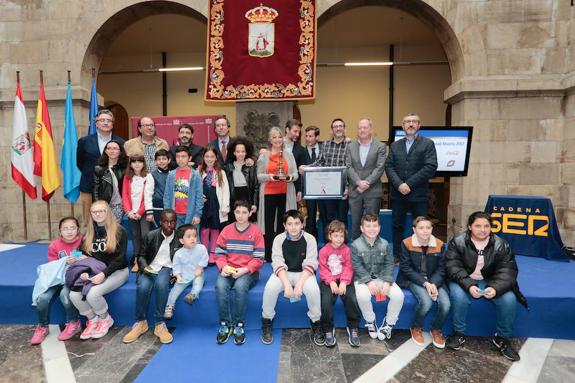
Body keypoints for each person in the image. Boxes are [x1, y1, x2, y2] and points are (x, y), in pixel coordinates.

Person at [445, 211, 527, 361]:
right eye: (478, 226)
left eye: (486, 226)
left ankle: (502, 338)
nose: (482, 230)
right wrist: (469, 285)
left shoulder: (501, 244)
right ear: (470, 227)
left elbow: (508, 271)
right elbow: (452, 267)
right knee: (458, 296)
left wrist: (495, 288)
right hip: (464, 279)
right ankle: (459, 333)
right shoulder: (457, 242)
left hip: (491, 280)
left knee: (509, 299)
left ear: (491, 227)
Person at [261, 210, 324, 346]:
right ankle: (267, 320)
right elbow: (277, 262)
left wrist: (300, 284)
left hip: (304, 273)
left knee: (313, 290)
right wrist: (287, 285)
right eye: (290, 224)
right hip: (284, 272)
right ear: (284, 225)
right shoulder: (279, 239)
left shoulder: (310, 239)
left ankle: (316, 322)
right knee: (270, 288)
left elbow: (311, 263)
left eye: (297, 223)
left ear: (302, 224)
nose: (293, 227)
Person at [69, 200, 129, 340]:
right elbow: (83, 254)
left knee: (93, 294)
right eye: (94, 211)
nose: (98, 214)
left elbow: (119, 260)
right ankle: (93, 320)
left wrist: (103, 274)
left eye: (101, 211)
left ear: (108, 212)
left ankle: (105, 318)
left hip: (117, 271)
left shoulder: (120, 231)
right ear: (91, 214)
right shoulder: (89, 233)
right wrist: (80, 263)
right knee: (74, 295)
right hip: (95, 271)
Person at [385, 113, 438, 260]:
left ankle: (420, 255)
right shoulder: (395, 145)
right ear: (403, 126)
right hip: (398, 193)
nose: (411, 124)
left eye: (414, 121)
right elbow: (389, 166)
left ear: (419, 125)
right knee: (397, 226)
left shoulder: (427, 143)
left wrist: (409, 184)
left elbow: (430, 167)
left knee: (422, 227)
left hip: (418, 194)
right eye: (407, 122)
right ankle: (397, 255)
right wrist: (399, 184)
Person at [122, 209, 178, 345]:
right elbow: (141, 255)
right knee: (143, 286)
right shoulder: (151, 235)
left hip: (167, 268)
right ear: (160, 222)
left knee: (161, 284)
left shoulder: (180, 238)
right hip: (151, 266)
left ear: (176, 222)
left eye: (172, 222)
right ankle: (141, 322)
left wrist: (176, 273)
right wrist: (144, 266)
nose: (169, 225)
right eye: (165, 222)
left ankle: (159, 324)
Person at [214, 201, 265, 345]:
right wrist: (223, 267)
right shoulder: (226, 230)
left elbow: (259, 257)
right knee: (220, 286)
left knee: (240, 287)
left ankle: (239, 325)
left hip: (248, 271)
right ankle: (225, 324)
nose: (241, 216)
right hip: (229, 269)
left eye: (244, 212)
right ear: (234, 213)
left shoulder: (256, 231)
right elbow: (219, 253)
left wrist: (246, 269)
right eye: (238, 212)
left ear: (250, 213)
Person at [396, 216, 449, 349]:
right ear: (414, 229)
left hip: (434, 280)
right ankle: (416, 327)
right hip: (414, 279)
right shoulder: (406, 243)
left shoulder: (440, 244)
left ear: (432, 229)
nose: (425, 231)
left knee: (446, 304)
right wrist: (425, 283)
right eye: (421, 228)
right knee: (426, 302)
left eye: (428, 227)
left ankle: (436, 329)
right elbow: (406, 268)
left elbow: (442, 269)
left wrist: (434, 283)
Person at [351, 213, 404, 340]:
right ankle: (370, 321)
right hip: (363, 279)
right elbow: (357, 266)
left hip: (381, 277)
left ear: (379, 227)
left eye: (375, 226)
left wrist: (386, 282)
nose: (371, 229)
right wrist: (368, 282)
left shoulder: (385, 244)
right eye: (368, 226)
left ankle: (389, 323)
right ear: (362, 228)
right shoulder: (355, 245)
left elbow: (389, 264)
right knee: (362, 296)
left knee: (399, 296)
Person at [31, 217, 82, 345]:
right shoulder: (54, 245)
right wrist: (64, 262)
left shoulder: (83, 241)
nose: (69, 231)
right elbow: (53, 267)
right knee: (42, 298)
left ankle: (73, 322)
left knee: (65, 294)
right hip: (57, 278)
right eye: (65, 229)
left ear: (78, 229)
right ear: (60, 231)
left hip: (74, 277)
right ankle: (42, 326)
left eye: (72, 228)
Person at [257, 127, 298, 262]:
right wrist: (270, 176)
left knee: (283, 224)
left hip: (285, 193)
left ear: (283, 138)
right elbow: (259, 176)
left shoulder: (289, 155)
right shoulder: (264, 156)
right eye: (274, 137)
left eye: (279, 137)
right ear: (270, 140)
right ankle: (269, 255)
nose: (277, 140)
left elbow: (296, 174)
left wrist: (290, 177)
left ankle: (282, 254)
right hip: (269, 193)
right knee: (269, 225)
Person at [318, 220, 361, 348]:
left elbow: (349, 267)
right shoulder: (324, 251)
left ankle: (353, 327)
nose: (339, 239)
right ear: (329, 236)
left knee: (351, 298)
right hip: (329, 280)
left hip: (344, 279)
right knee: (326, 301)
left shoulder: (347, 250)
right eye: (336, 236)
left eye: (341, 236)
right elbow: (323, 268)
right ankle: (328, 329)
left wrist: (343, 282)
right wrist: (331, 281)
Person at [77, 109, 124, 225]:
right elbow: (80, 162)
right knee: (89, 221)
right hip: (88, 186)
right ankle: (90, 242)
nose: (105, 123)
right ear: (96, 123)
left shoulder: (121, 142)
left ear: (112, 124)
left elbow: (123, 163)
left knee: (112, 222)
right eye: (102, 120)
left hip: (112, 189)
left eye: (109, 120)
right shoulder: (84, 141)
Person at [303, 118, 350, 229]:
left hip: (343, 189)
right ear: (331, 130)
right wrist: (306, 168)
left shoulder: (351, 145)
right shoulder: (325, 145)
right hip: (327, 189)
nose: (338, 128)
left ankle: (342, 245)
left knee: (342, 219)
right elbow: (319, 162)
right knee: (328, 220)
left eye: (340, 126)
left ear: (344, 129)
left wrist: (348, 187)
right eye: (335, 126)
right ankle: (328, 245)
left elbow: (351, 168)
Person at [345, 118, 386, 240]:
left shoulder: (380, 146)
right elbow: (348, 167)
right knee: (355, 223)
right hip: (355, 189)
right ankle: (356, 251)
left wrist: (366, 182)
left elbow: (380, 167)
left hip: (372, 190)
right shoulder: (350, 146)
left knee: (372, 224)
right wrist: (358, 182)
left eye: (365, 127)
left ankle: (372, 250)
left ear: (371, 129)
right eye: (360, 128)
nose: (362, 130)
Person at [164, 225, 208, 320]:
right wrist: (178, 275)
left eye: (194, 236)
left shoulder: (201, 248)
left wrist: (200, 268)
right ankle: (169, 306)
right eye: (188, 236)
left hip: (197, 273)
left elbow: (205, 258)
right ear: (182, 241)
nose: (192, 238)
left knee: (198, 283)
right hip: (184, 276)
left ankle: (193, 295)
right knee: (174, 291)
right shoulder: (178, 253)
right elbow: (176, 266)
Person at [198, 146, 230, 263]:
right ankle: (205, 253)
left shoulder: (221, 173)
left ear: (216, 158)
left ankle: (213, 253)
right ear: (203, 158)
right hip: (203, 205)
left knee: (215, 228)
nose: (209, 159)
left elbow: (226, 191)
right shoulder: (198, 172)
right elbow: (195, 189)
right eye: (207, 156)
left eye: (212, 156)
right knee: (204, 229)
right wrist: (199, 197)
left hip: (216, 205)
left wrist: (225, 206)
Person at [122, 154, 154, 268]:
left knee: (145, 234)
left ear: (143, 164)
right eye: (134, 162)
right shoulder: (127, 177)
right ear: (130, 164)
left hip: (143, 212)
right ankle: (136, 257)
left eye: (139, 161)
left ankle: (145, 257)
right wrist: (129, 211)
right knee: (135, 235)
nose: (137, 164)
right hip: (131, 213)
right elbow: (125, 195)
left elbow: (147, 196)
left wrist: (140, 212)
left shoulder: (148, 177)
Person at [163, 146, 204, 228]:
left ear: (190, 158)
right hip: (175, 214)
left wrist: (197, 214)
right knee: (176, 238)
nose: (180, 159)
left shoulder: (195, 175)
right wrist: (167, 213)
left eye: (183, 156)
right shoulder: (171, 175)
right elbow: (167, 196)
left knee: (191, 238)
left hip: (191, 214)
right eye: (178, 157)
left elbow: (199, 197)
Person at [223, 136, 258, 223]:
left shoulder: (251, 166)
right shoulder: (228, 167)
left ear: (246, 153)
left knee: (248, 223)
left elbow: (255, 187)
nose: (240, 154)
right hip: (233, 197)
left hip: (247, 196)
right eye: (238, 151)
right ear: (234, 152)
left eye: (243, 151)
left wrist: (254, 203)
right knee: (234, 223)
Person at [93, 140, 127, 223]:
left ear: (120, 151)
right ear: (106, 151)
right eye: (109, 148)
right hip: (104, 206)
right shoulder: (98, 169)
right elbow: (95, 190)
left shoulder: (125, 168)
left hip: (120, 206)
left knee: (117, 231)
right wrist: (97, 206)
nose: (112, 151)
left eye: (115, 148)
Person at [298, 125, 322, 237]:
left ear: (317, 137)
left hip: (323, 190)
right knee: (310, 218)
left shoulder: (324, 149)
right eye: (306, 136)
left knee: (326, 217)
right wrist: (300, 191)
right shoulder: (301, 152)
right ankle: (312, 243)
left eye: (311, 136)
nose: (308, 139)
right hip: (308, 190)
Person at [283, 119, 307, 202]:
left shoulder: (301, 150)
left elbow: (301, 173)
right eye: (295, 131)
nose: (297, 134)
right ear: (287, 130)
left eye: (299, 132)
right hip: (275, 187)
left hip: (293, 188)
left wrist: (300, 190)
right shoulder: (275, 145)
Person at [151, 149, 172, 226]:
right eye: (159, 159)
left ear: (169, 160)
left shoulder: (173, 174)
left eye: (164, 159)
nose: (161, 161)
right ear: (155, 161)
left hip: (171, 208)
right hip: (157, 208)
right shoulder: (151, 175)